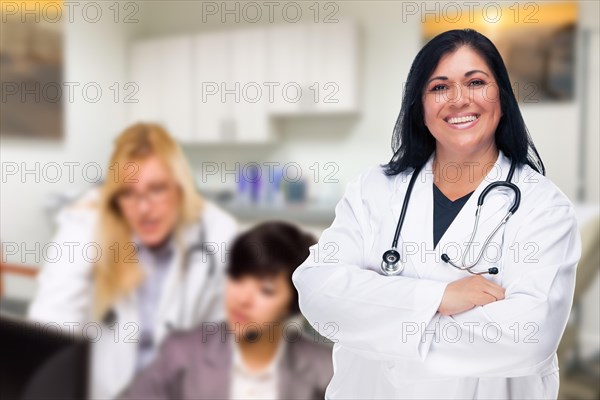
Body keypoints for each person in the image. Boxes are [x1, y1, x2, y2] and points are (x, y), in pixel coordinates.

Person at [292, 29, 581, 399]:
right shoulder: (374, 189)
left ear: (502, 98)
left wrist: (376, 318)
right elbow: (317, 291)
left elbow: (528, 334)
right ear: (420, 105)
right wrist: (438, 298)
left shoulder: (543, 207)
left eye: (476, 82)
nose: (459, 100)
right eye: (439, 87)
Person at [28, 123, 238, 399]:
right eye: (128, 193)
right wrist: (81, 233)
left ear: (179, 187)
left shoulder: (218, 233)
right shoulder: (89, 228)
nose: (143, 208)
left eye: (157, 189)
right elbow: (49, 333)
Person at [121, 221, 334, 399]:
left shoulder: (325, 369)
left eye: (266, 290)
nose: (242, 299)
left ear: (292, 304)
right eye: (237, 278)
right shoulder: (180, 355)